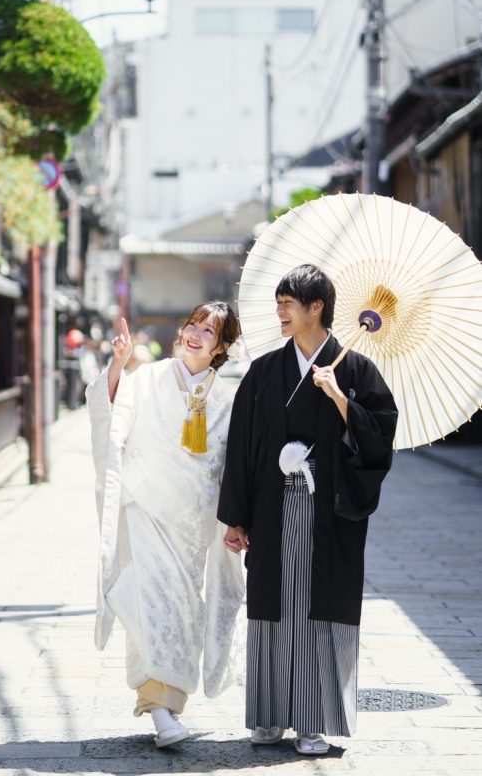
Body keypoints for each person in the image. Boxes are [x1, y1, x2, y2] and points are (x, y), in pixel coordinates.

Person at [217, 264, 398, 756]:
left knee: (319, 608)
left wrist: (341, 399)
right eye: (278, 302)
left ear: (316, 307)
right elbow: (242, 446)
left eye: (287, 303)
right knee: (273, 607)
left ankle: (314, 720)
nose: (279, 311)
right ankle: (270, 715)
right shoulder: (263, 372)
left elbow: (380, 440)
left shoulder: (355, 370)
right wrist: (237, 515)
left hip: (328, 511)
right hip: (273, 506)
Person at [86, 303, 245, 748]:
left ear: (222, 347)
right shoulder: (149, 378)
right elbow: (112, 413)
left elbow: (231, 467)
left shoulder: (227, 400)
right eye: (192, 325)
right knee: (150, 607)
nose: (195, 334)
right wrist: (119, 363)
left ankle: (169, 706)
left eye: (208, 331)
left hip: (194, 531)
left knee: (184, 616)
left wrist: (235, 520)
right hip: (147, 517)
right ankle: (159, 712)